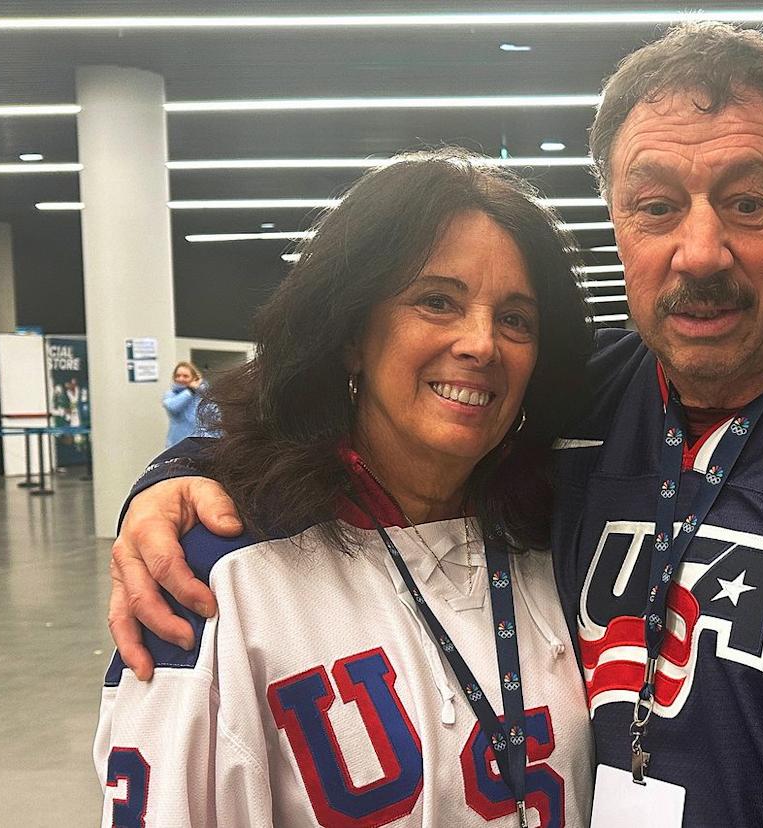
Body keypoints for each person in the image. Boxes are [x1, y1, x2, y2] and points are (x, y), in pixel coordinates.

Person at [106, 23, 763, 826]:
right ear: (618, 218)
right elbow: (370, 429)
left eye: (746, 202)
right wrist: (183, 476)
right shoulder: (570, 398)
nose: (698, 250)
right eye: (656, 205)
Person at [95, 154, 598, 825]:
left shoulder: (559, 541)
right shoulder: (223, 578)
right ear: (352, 334)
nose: (481, 343)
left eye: (516, 319)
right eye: (437, 301)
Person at [162, 361, 208, 447]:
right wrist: (190, 391)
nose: (181, 379)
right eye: (178, 376)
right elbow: (172, 407)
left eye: (185, 376)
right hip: (176, 445)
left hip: (199, 445)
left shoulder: (204, 396)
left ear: (194, 378)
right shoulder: (171, 394)